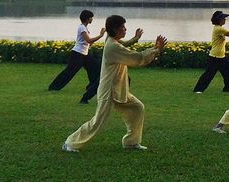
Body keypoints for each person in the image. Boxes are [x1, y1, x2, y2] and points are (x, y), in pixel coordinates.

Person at [62, 15, 166, 152]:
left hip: (119, 89)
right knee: (98, 121)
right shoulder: (112, 47)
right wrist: (157, 49)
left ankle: (131, 142)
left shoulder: (112, 41)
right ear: (115, 29)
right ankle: (70, 143)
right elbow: (137, 58)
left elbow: (123, 45)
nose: (125, 29)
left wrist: (136, 39)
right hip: (109, 91)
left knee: (137, 108)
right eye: (123, 27)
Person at [47, 9, 106, 104]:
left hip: (84, 54)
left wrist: (91, 43)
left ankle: (91, 87)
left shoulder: (85, 28)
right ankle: (53, 87)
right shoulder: (82, 28)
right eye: (91, 17)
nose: (92, 19)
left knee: (95, 68)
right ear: (87, 18)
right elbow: (89, 40)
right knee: (69, 72)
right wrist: (101, 35)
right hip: (77, 54)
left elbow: (87, 43)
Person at [193, 10, 229, 93]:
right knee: (209, 74)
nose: (225, 20)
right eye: (223, 18)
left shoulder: (219, 28)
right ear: (219, 20)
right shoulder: (218, 29)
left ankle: (228, 89)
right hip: (215, 57)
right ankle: (198, 90)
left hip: (221, 56)